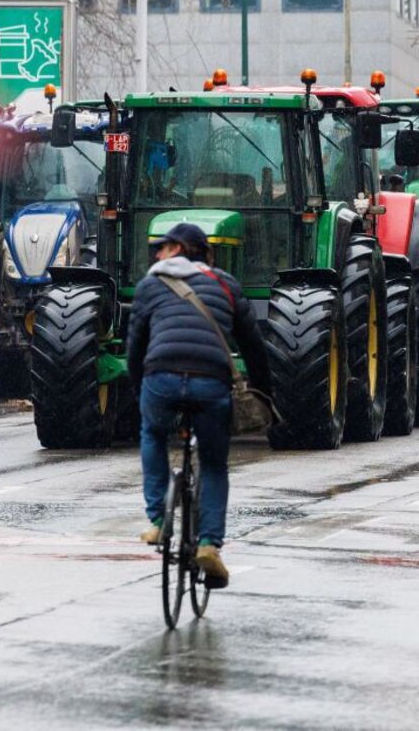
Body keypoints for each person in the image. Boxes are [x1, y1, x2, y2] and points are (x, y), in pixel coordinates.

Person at [126, 222, 272, 589]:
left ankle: (159, 520)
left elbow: (135, 347)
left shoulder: (150, 285)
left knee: (152, 433)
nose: (156, 253)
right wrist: (263, 391)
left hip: (161, 378)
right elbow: (253, 345)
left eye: (162, 247)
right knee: (213, 463)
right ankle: (209, 544)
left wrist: (138, 388)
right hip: (212, 383)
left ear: (177, 250)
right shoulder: (226, 284)